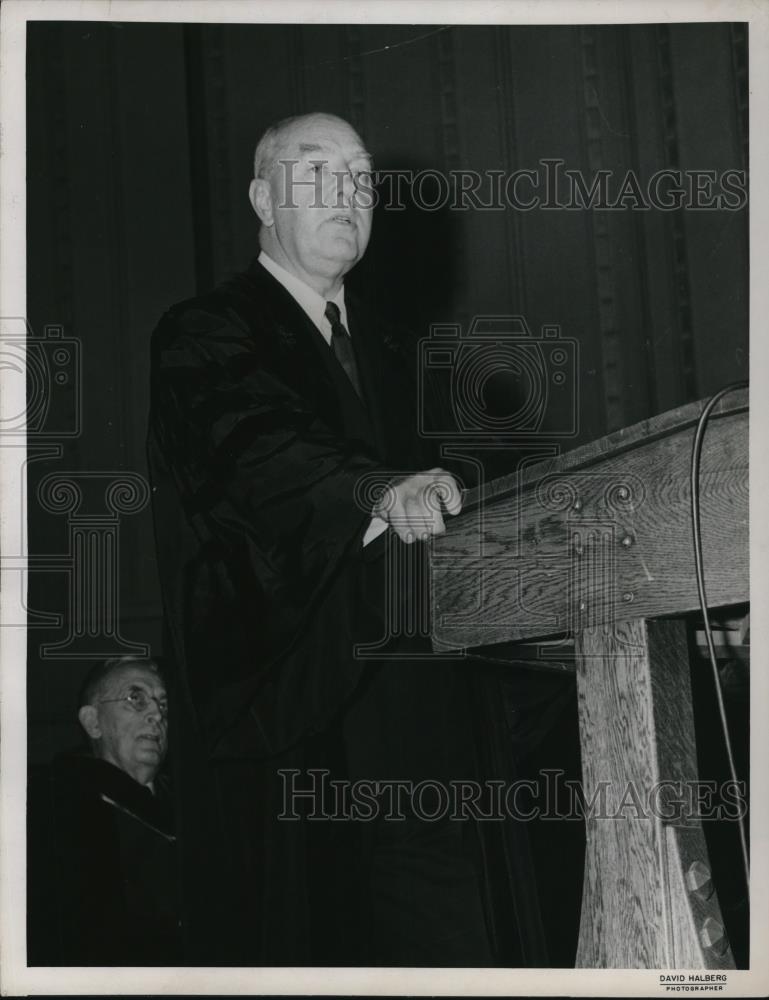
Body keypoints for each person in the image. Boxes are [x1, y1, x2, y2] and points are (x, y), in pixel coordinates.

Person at [147, 112, 546, 966]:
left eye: (361, 179)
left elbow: (464, 492)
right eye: (316, 172)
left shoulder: (407, 351)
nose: (347, 195)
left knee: (455, 945)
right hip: (297, 706)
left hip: (430, 710)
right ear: (261, 198)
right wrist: (376, 488)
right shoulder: (205, 333)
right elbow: (252, 449)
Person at [27, 656, 181, 966]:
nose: (156, 714)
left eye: (163, 704)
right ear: (93, 722)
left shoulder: (195, 808)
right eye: (135, 698)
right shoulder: (56, 806)